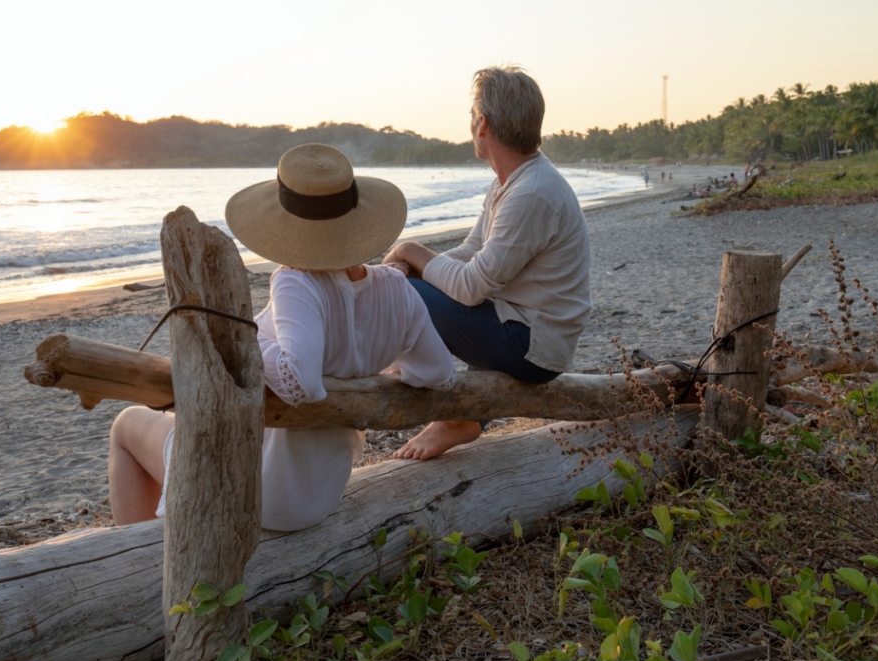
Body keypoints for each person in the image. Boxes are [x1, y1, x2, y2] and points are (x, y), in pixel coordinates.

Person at [108, 143, 456, 530]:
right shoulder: (396, 288)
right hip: (318, 492)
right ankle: (153, 536)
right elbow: (438, 372)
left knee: (126, 423)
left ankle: (138, 549)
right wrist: (381, 369)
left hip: (258, 489)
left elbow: (300, 380)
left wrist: (244, 337)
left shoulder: (297, 280)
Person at [383, 66, 591, 461]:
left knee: (400, 289)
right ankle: (452, 405)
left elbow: (471, 286)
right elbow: (469, 253)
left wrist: (410, 253)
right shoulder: (510, 182)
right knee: (403, 283)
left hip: (533, 346)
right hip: (519, 324)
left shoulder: (531, 193)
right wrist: (413, 263)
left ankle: (432, 395)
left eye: (471, 114)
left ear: (483, 124)